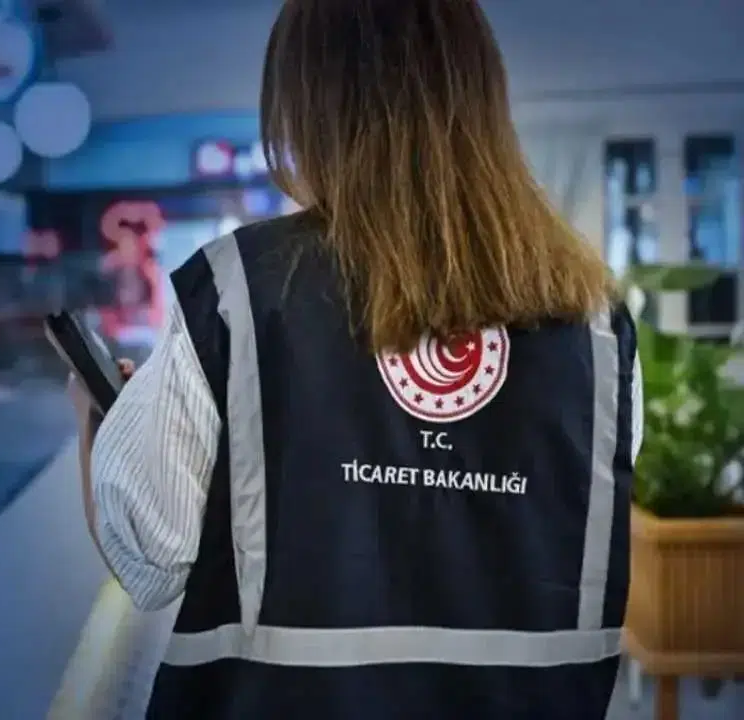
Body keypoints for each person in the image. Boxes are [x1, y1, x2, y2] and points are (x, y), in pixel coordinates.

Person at [69, 1, 640, 718]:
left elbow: (149, 558)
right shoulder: (596, 321)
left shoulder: (237, 289)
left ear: (304, 107)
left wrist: (93, 422)